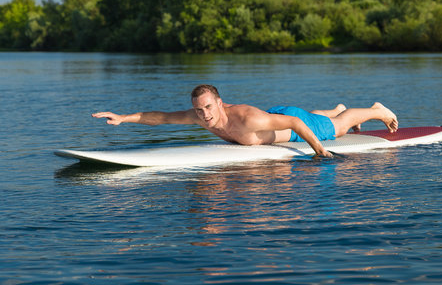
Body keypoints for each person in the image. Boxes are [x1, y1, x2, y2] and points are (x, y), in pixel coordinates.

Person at [92, 84, 398, 158]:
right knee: (315, 117)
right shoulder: (200, 118)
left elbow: (293, 124)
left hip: (288, 124)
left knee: (339, 128)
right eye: (199, 111)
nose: (205, 116)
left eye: (209, 108)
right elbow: (158, 118)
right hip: (274, 115)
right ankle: (335, 108)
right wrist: (122, 118)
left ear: (220, 103)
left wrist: (319, 151)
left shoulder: (247, 118)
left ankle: (375, 109)